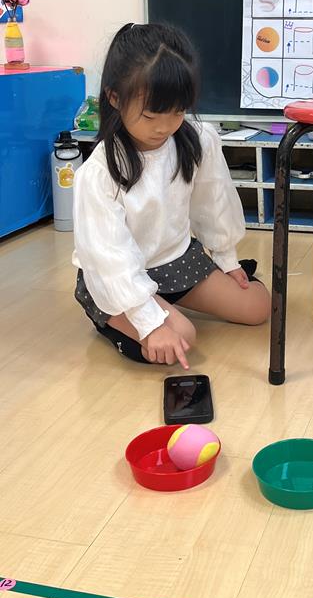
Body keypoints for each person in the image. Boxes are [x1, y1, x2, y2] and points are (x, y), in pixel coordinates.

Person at [72, 22, 270, 368]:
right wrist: (149, 322)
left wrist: (226, 259)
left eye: (178, 111)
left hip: (176, 261)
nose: (164, 127)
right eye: (150, 115)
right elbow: (109, 257)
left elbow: (213, 203)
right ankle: (110, 314)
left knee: (259, 307)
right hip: (118, 276)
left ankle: (165, 305)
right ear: (115, 98)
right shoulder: (100, 172)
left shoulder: (197, 139)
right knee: (181, 337)